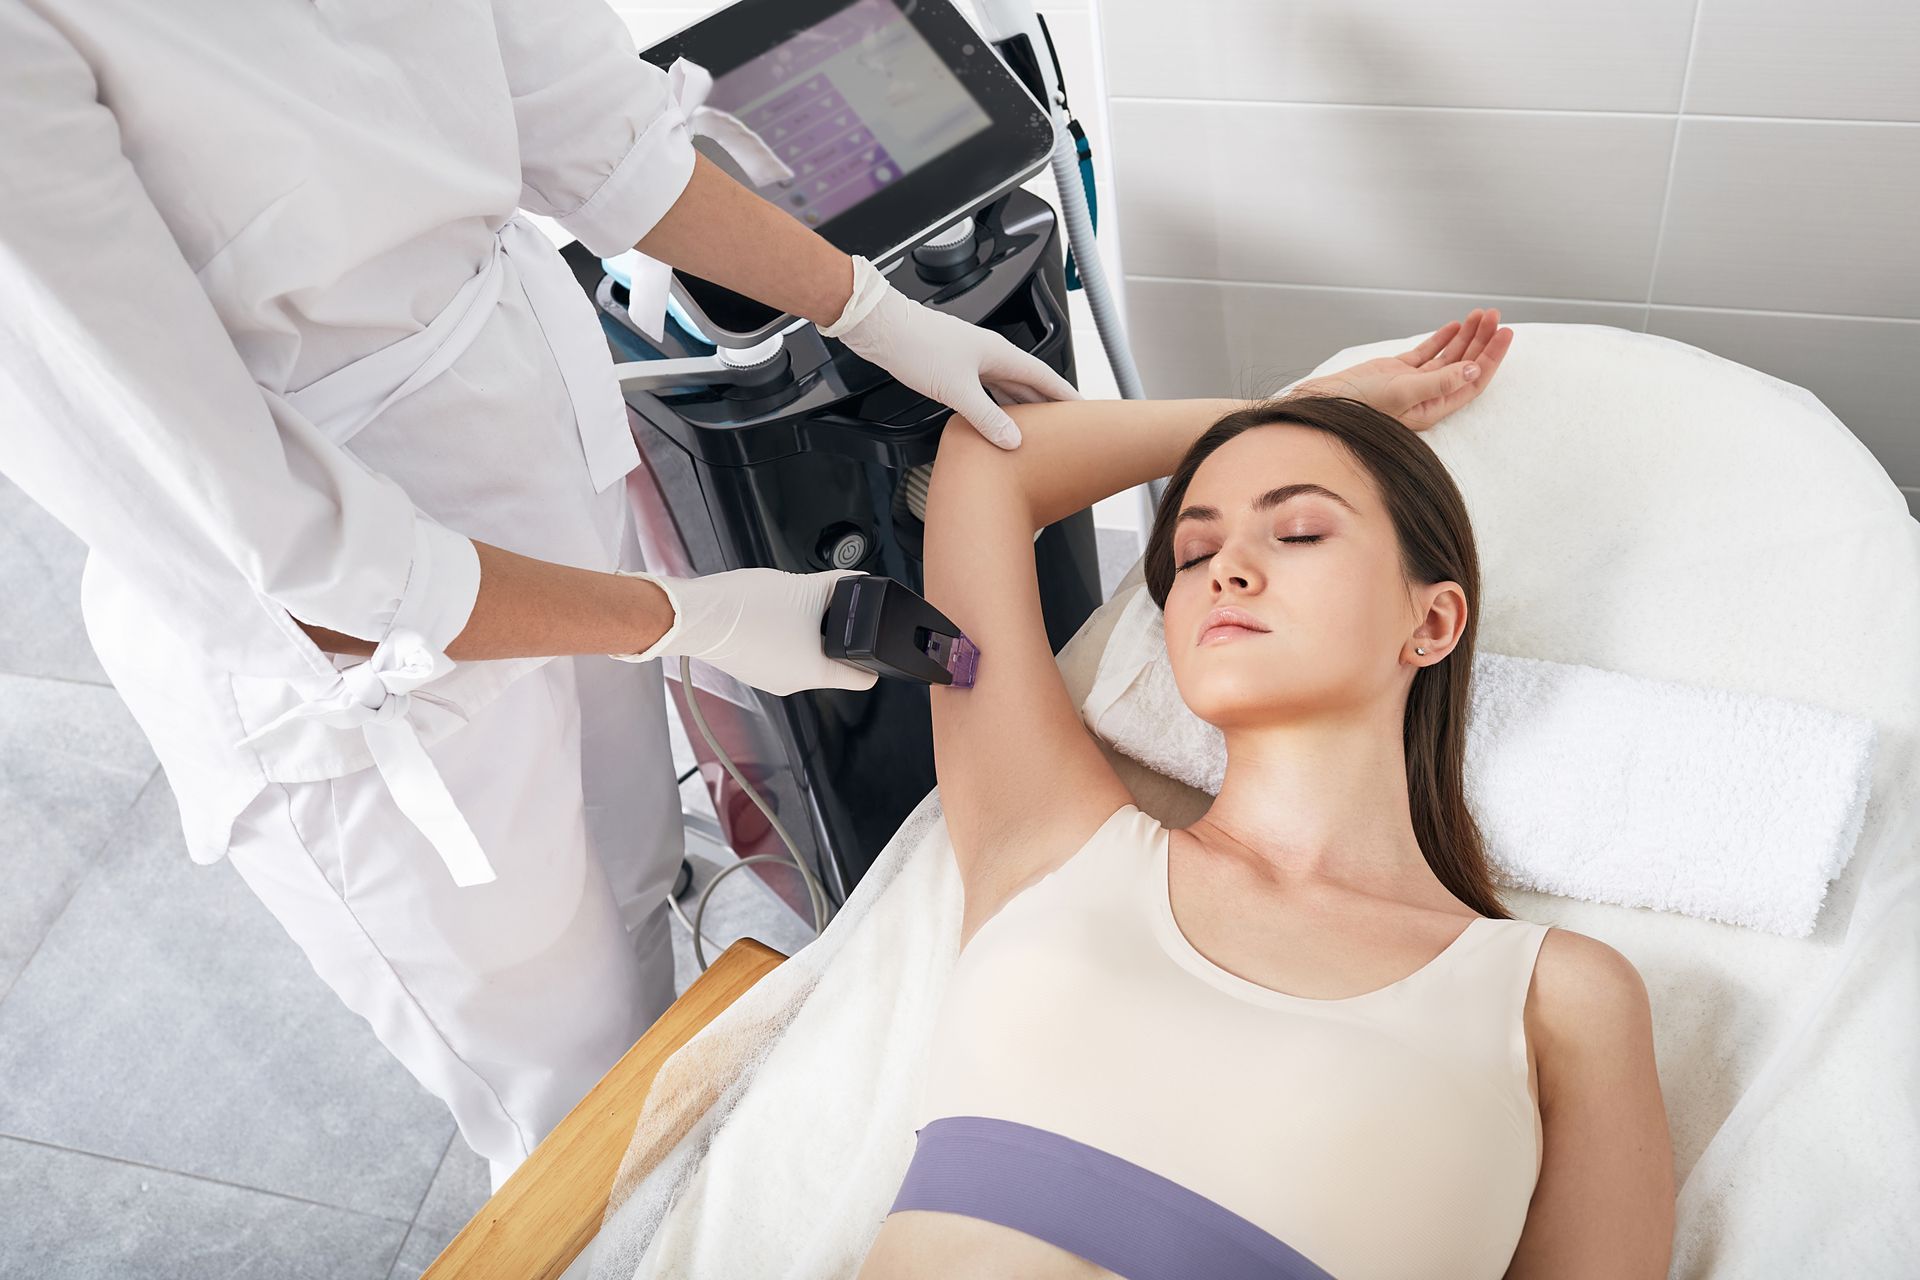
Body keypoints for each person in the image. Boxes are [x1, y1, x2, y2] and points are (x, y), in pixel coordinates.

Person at [0, 0, 1077, 1188]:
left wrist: (868, 309)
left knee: (632, 876)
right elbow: (291, 556)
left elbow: (599, 136)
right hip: (362, 654)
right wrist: (694, 618)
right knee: (573, 1090)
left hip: (532, 459)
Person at [859, 309, 1677, 1278]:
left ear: (1433, 619)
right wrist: (1298, 414)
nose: (1228, 569)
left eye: (1296, 528)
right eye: (1193, 553)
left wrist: (1288, 441)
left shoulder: (1557, 998)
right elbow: (988, 462)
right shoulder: (1048, 835)